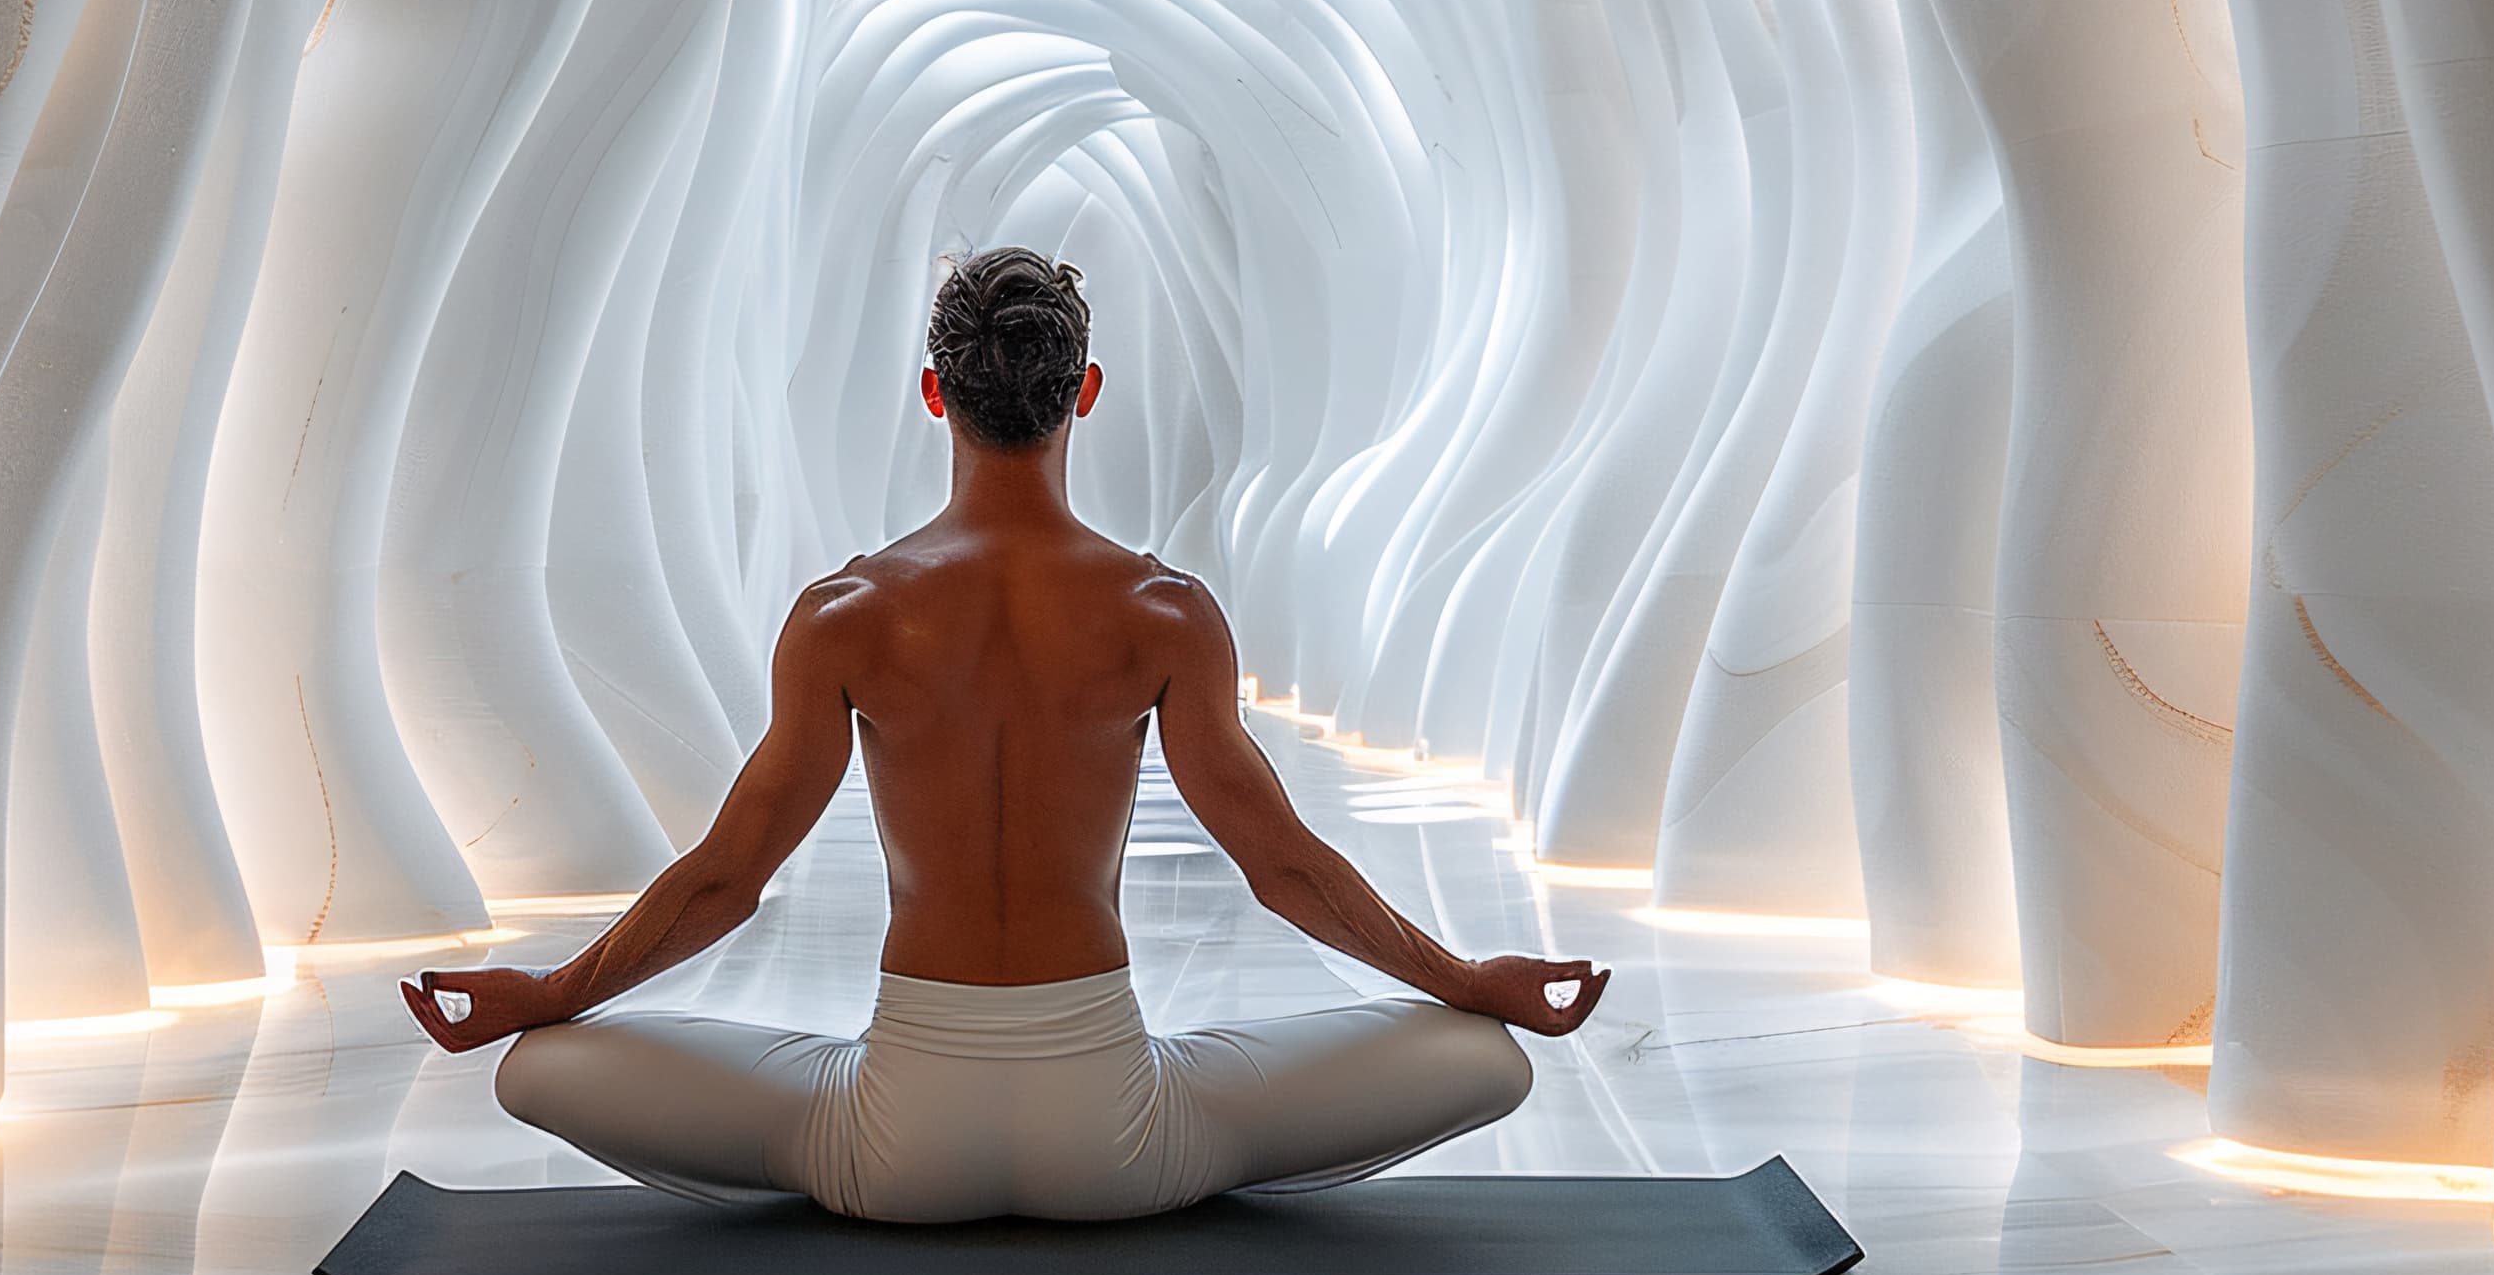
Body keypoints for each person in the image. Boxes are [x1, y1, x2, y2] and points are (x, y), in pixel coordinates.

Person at [401, 245, 1608, 1221]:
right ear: (1084, 391)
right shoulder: (1164, 613)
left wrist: (547, 993)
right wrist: (1466, 978)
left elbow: (728, 880)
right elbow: (1283, 868)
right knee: (1488, 1059)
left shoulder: (844, 617)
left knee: (538, 1067)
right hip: (1122, 1145)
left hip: (891, 1151)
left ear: (936, 392)